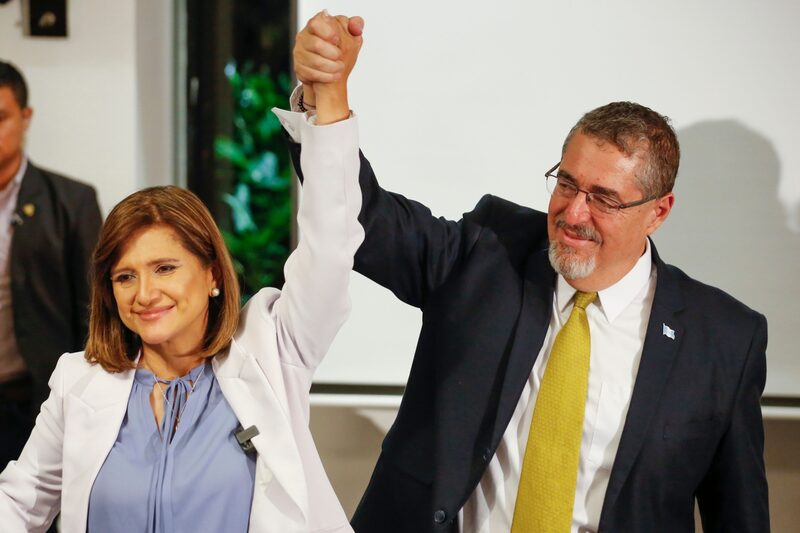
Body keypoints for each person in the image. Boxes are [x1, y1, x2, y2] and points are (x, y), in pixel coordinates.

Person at [290, 13, 770, 533]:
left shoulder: (722, 339)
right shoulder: (488, 253)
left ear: (659, 211)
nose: (573, 213)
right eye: (566, 183)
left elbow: (738, 516)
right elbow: (366, 218)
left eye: (604, 199)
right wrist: (327, 96)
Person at [0, 55, 364, 532]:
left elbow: (330, 248)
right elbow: (19, 502)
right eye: (125, 276)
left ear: (212, 273)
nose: (144, 293)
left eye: (164, 268)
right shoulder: (79, 382)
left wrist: (328, 94)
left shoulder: (270, 354)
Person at [0, 60, 103, 472]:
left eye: (1, 117)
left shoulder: (70, 202)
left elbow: (94, 310)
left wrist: (88, 399)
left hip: (35, 399)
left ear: (26, 118)